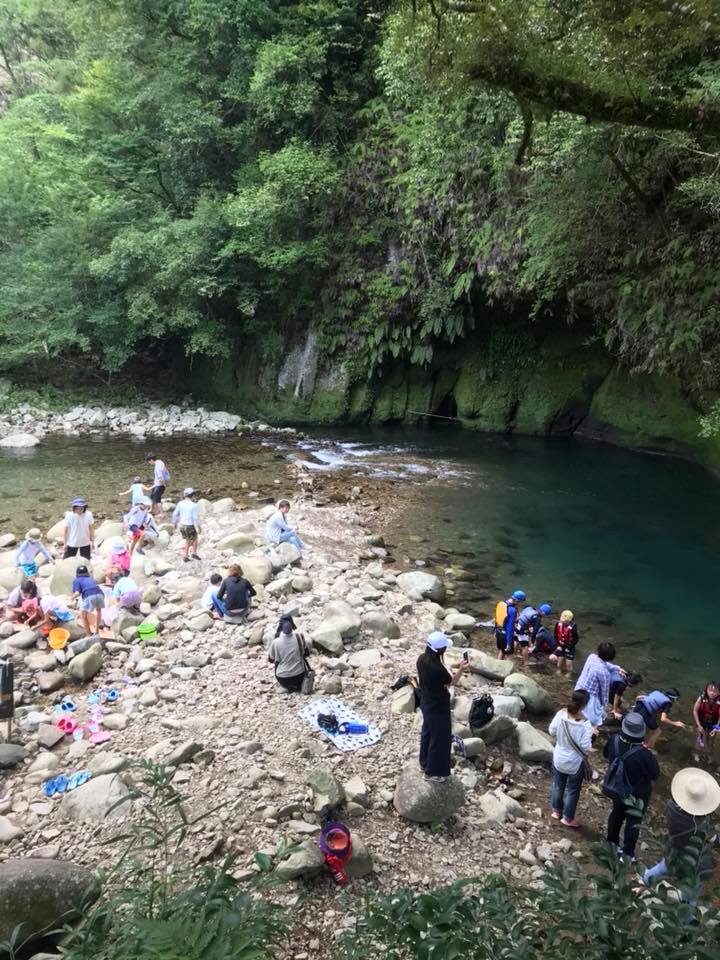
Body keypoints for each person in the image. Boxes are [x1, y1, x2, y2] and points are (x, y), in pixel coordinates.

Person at [640, 767, 720, 904]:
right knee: (691, 895)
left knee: (663, 867)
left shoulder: (671, 806)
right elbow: (715, 840)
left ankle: (642, 882)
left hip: (675, 849)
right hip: (693, 862)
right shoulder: (701, 824)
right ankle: (685, 920)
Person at [604, 711, 659, 860]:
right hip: (637, 794)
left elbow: (605, 754)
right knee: (633, 822)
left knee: (616, 814)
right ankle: (627, 853)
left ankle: (611, 842)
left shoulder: (614, 740)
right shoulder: (644, 754)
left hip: (617, 787)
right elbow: (654, 774)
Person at [416, 631, 469, 782]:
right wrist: (461, 669)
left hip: (426, 702)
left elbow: (440, 671)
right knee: (439, 739)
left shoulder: (421, 660)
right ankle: (431, 773)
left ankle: (424, 762)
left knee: (427, 733)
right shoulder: (437, 669)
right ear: (440, 650)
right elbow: (451, 682)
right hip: (438, 706)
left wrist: (454, 665)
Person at [548, 690, 593, 827]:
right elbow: (585, 747)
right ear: (584, 705)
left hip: (559, 757)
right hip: (574, 762)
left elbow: (551, 731)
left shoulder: (561, 714)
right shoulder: (585, 724)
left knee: (557, 785)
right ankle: (567, 818)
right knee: (573, 790)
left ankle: (556, 811)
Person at [574, 641, 619, 731]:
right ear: (610, 657)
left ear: (598, 651)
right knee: (591, 722)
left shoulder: (591, 657)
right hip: (590, 698)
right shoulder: (604, 672)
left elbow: (605, 664)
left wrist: (617, 668)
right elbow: (604, 691)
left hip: (579, 689)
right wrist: (604, 705)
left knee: (577, 714)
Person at [268, 615, 310, 692]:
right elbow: (307, 654)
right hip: (300, 677)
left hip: (283, 679)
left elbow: (271, 660)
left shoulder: (275, 641)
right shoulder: (300, 637)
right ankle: (297, 686)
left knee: (277, 662)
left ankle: (287, 687)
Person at [71, 564, 105, 636]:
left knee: (83, 615)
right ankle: (96, 631)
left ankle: (88, 634)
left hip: (89, 595)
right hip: (100, 594)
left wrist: (71, 598)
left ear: (77, 574)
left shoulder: (77, 580)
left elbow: (77, 593)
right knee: (98, 610)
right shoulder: (91, 579)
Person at [692, 681, 720, 761]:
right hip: (702, 722)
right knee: (700, 739)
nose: (712, 693)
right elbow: (695, 711)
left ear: (719, 692)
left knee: (711, 741)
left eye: (715, 691)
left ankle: (709, 755)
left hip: (714, 724)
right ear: (706, 690)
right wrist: (698, 725)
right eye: (710, 690)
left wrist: (716, 728)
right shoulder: (701, 698)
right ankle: (697, 754)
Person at [494, 590, 525, 660]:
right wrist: (509, 642)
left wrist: (495, 631)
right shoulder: (512, 610)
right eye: (520, 602)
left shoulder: (502, 604)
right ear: (517, 600)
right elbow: (510, 628)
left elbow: (497, 618)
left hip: (498, 632)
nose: (520, 603)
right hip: (505, 635)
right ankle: (507, 670)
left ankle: (497, 667)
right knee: (510, 655)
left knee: (502, 651)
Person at [172, 487, 201, 561]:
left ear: (185, 495)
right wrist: (198, 527)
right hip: (189, 526)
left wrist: (174, 523)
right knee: (194, 539)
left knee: (189, 540)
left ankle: (188, 555)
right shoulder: (193, 505)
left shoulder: (180, 503)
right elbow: (195, 518)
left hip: (182, 526)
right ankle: (191, 554)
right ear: (193, 495)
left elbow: (175, 514)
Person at [549, 610, 580, 674]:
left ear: (568, 620)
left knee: (568, 664)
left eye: (563, 618)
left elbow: (576, 639)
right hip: (561, 645)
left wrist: (569, 648)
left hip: (569, 647)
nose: (561, 619)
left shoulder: (573, 627)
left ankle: (568, 674)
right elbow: (555, 635)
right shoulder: (558, 623)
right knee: (558, 663)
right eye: (561, 617)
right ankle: (559, 669)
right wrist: (558, 645)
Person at [145, 453, 170, 518]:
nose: (149, 463)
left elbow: (160, 478)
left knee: (157, 499)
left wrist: (164, 484)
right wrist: (166, 482)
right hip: (157, 484)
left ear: (151, 460)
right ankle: (152, 510)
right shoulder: (160, 461)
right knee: (152, 496)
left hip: (159, 485)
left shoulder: (157, 468)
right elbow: (166, 471)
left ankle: (161, 513)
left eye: (148, 461)